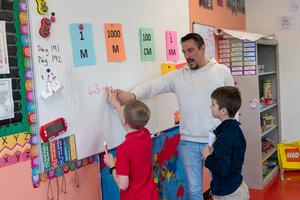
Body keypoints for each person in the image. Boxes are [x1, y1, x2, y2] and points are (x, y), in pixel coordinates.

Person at [114, 33, 234, 200]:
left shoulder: (221, 72)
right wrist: (133, 94)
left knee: (222, 189)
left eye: (191, 50)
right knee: (194, 191)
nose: (187, 56)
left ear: (203, 48)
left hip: (215, 140)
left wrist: (231, 136)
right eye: (184, 52)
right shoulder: (179, 75)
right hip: (188, 142)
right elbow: (153, 86)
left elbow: (232, 106)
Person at [103, 88, 158, 200]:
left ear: (124, 119)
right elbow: (129, 123)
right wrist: (117, 105)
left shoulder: (123, 149)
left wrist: (112, 166)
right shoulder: (146, 134)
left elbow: (123, 185)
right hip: (150, 195)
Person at [202, 86, 249, 200]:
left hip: (229, 193)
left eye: (213, 104)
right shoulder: (234, 130)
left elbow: (223, 169)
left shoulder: (225, 137)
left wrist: (207, 157)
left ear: (223, 111)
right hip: (235, 186)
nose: (210, 106)